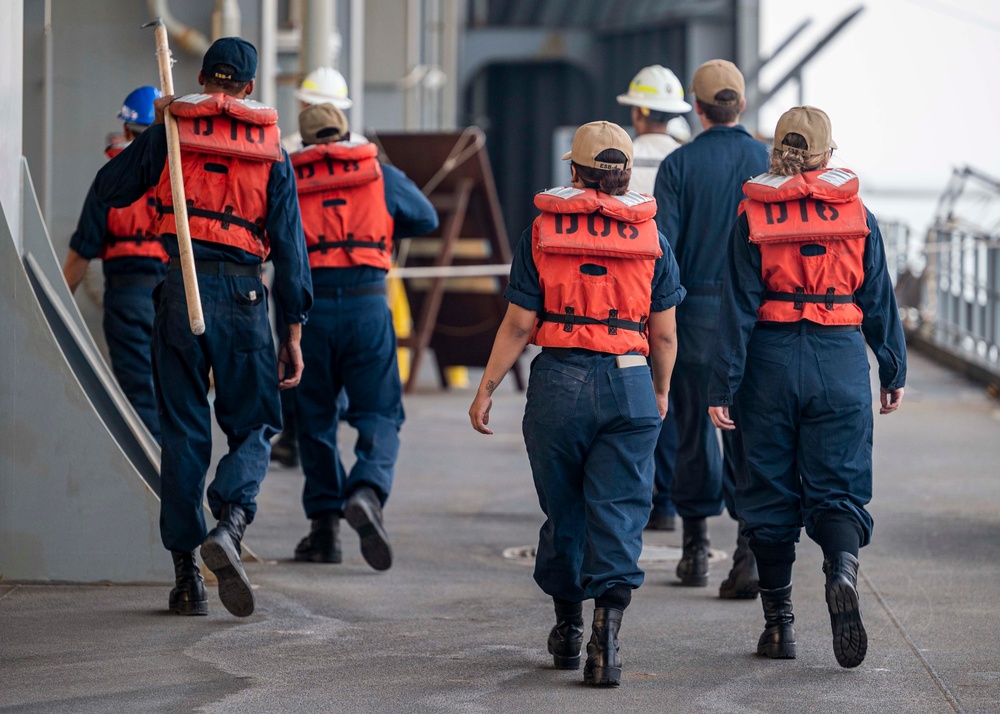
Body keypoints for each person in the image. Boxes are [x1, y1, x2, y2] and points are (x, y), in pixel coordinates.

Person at [92, 37, 313, 618]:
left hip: (175, 294)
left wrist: (160, 126)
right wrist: (292, 330)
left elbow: (109, 193)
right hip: (242, 296)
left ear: (201, 78)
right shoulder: (271, 150)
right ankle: (232, 523)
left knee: (184, 432)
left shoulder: (171, 136)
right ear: (248, 89)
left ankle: (187, 576)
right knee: (258, 422)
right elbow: (290, 250)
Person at [470, 121, 684, 687]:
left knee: (564, 509)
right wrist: (660, 391)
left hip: (559, 381)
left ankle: (566, 631)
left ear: (574, 172)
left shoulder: (541, 232)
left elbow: (518, 324)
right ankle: (605, 644)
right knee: (618, 511)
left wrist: (487, 388)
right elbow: (663, 336)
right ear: (627, 175)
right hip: (631, 380)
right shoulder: (653, 238)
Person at [708, 106, 906, 668]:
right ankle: (841, 570)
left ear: (777, 153)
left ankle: (779, 627)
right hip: (839, 359)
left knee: (768, 492)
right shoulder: (857, 213)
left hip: (769, 359)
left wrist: (723, 384)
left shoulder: (752, 214)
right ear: (825, 155)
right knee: (839, 485)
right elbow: (880, 300)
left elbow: (737, 306)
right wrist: (892, 370)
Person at [288, 103, 437, 570]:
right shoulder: (379, 175)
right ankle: (367, 490)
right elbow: (426, 218)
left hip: (309, 308)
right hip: (368, 306)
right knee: (380, 412)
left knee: (314, 420)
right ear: (347, 132)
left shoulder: (290, 177)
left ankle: (324, 532)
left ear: (307, 142)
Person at [653, 59, 768, 598]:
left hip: (694, 318)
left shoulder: (677, 166)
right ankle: (748, 549)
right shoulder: (767, 163)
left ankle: (695, 548)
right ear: (740, 105)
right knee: (749, 434)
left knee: (692, 431)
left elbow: (663, 251)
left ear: (696, 110)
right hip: (756, 321)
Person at [63, 86, 168, 442]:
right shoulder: (182, 179)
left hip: (127, 301)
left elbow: (80, 255)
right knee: (178, 399)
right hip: (176, 298)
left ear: (126, 130)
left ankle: (154, 485)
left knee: (140, 398)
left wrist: (57, 309)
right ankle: (180, 485)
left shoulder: (110, 180)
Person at [616, 64, 691, 532]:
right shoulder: (684, 158)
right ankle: (668, 498)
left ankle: (632, 494)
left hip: (622, 297)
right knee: (669, 396)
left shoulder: (622, 156)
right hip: (672, 291)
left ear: (641, 112)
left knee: (629, 394)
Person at [270, 66, 355, 468]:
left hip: (295, 272)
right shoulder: (364, 157)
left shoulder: (285, 152)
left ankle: (293, 436)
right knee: (337, 366)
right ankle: (318, 435)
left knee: (291, 351)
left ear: (304, 105)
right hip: (355, 280)